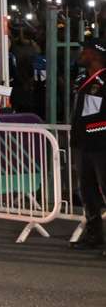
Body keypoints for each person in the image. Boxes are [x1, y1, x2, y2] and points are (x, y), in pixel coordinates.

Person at [68, 38, 106, 254]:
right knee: (88, 192)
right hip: (85, 147)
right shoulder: (86, 79)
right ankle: (94, 235)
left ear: (96, 54)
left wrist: (91, 132)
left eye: (85, 50)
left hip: (101, 146)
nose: (81, 53)